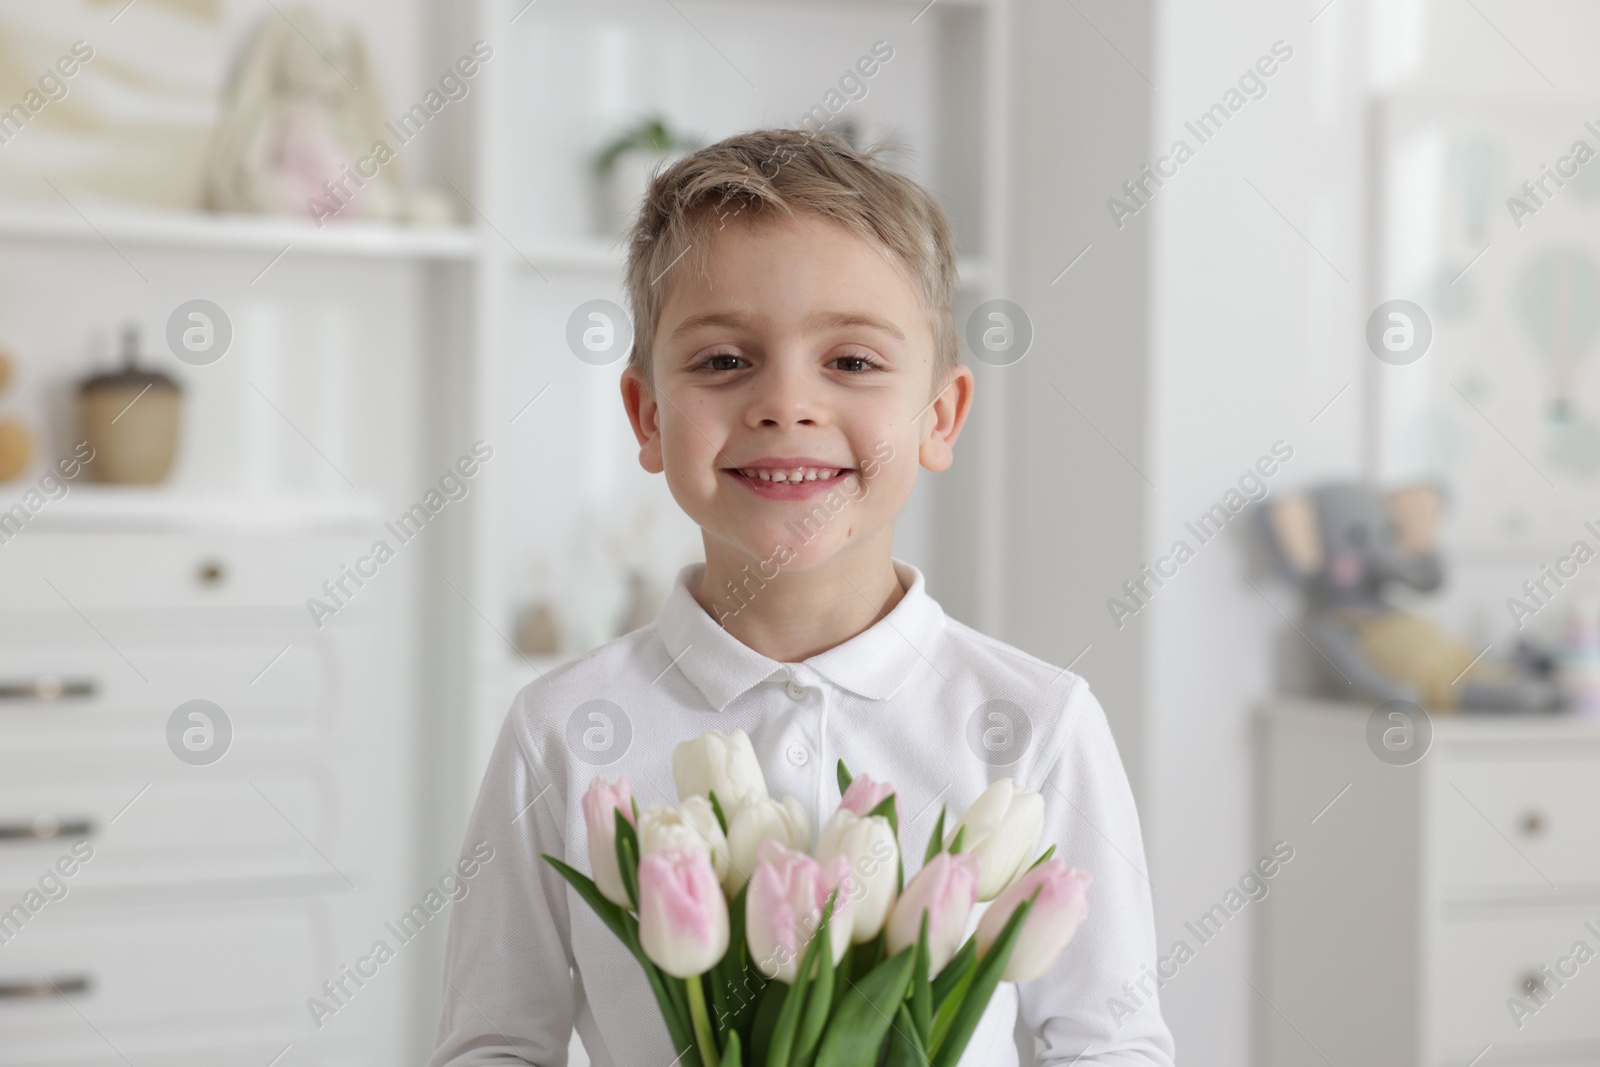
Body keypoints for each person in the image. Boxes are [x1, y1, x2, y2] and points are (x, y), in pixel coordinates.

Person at [426, 127, 1176, 1067]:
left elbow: (1109, 1045)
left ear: (939, 417)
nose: (786, 402)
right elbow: (493, 1044)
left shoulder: (1037, 723)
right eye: (723, 361)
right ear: (648, 417)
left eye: (852, 362)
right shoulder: (564, 729)